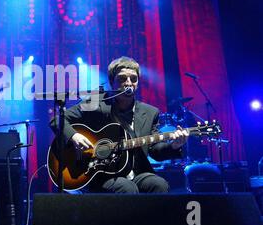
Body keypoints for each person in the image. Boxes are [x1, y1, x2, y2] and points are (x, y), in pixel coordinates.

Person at [50, 56, 189, 193]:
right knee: (127, 188)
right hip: (102, 174)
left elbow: (155, 150)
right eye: (122, 78)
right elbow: (57, 120)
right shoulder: (96, 103)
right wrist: (74, 136)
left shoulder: (150, 112)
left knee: (159, 185)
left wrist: (174, 146)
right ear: (112, 82)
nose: (129, 83)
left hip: (137, 173)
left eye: (133, 79)